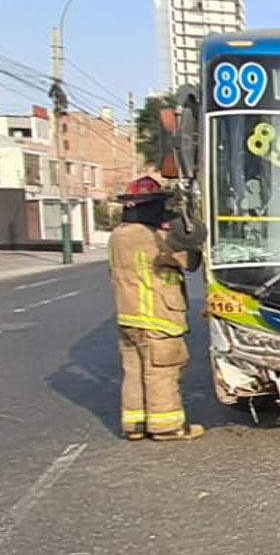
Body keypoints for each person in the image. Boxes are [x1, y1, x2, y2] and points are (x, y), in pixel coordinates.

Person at [109, 176, 205, 441]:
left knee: (135, 370)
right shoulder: (155, 237)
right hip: (158, 317)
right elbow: (190, 261)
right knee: (162, 370)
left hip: (129, 318)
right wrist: (188, 233)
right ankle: (167, 426)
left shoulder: (118, 236)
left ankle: (136, 424)